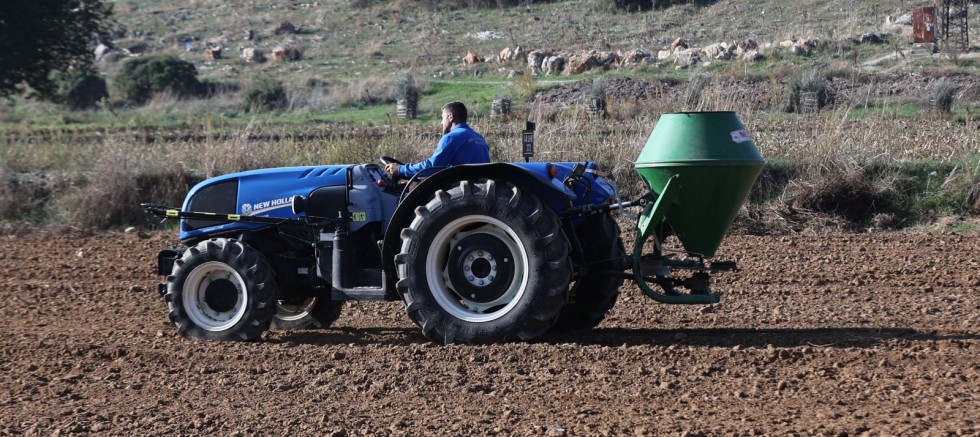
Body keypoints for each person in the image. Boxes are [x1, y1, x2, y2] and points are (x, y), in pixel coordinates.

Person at [385, 101, 490, 178]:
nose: (441, 123)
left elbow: (432, 167)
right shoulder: (479, 137)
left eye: (442, 118)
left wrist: (401, 169)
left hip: (463, 186)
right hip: (480, 186)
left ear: (450, 117)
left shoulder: (451, 137)